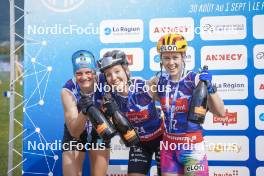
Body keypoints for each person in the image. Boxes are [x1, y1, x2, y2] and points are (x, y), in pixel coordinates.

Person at [149, 33, 225, 176]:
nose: (171, 62)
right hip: (168, 146)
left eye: (175, 57)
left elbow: (220, 112)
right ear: (161, 60)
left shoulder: (195, 79)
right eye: (166, 58)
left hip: (192, 146)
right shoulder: (157, 81)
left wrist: (210, 88)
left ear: (183, 56)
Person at [97, 50, 164, 176]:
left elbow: (170, 102)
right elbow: (112, 131)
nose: (114, 78)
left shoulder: (143, 86)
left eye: (117, 71)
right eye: (108, 74)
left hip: (162, 138)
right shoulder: (109, 98)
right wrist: (110, 117)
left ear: (126, 70)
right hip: (139, 143)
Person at [61, 50, 110, 176]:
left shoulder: (105, 80)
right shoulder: (68, 90)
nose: (84, 77)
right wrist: (85, 110)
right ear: (74, 73)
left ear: (94, 72)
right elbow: (74, 132)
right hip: (76, 128)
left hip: (99, 128)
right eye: (79, 73)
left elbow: (126, 79)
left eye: (88, 72)